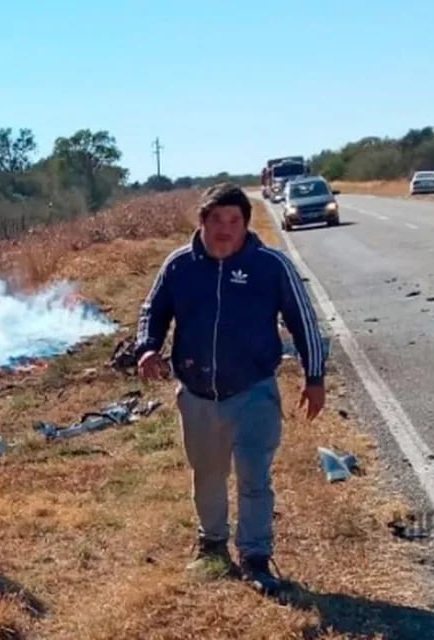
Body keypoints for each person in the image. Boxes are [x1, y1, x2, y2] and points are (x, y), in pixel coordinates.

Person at [134, 182, 325, 596]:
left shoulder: (270, 266)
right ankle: (212, 545)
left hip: (254, 391)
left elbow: (303, 320)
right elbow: (153, 310)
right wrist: (147, 348)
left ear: (245, 224)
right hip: (198, 394)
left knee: (255, 477)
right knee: (208, 475)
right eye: (216, 219)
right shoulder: (179, 265)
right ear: (202, 221)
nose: (225, 228)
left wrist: (315, 378)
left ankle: (256, 556)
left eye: (234, 220)